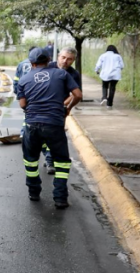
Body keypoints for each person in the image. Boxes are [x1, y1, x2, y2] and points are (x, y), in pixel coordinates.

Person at [15, 47, 82, 209]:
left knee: (30, 161)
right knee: (62, 162)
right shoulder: (62, 74)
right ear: (49, 60)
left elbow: (23, 104)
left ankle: (34, 192)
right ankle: (60, 198)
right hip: (54, 124)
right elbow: (78, 95)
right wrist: (67, 108)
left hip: (32, 124)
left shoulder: (24, 79)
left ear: (31, 63)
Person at [43, 47, 83, 174]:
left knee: (54, 136)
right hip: (42, 107)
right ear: (58, 56)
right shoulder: (47, 68)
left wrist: (66, 106)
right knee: (39, 137)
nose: (65, 61)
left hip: (59, 109)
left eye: (69, 59)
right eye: (63, 57)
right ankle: (48, 156)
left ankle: (50, 160)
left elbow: (75, 94)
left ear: (73, 60)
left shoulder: (73, 74)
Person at [94, 45, 125, 109]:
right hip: (115, 74)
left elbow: (98, 65)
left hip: (105, 74)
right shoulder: (118, 56)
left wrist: (97, 70)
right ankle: (109, 104)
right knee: (112, 88)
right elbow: (122, 66)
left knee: (105, 86)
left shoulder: (103, 55)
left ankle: (104, 97)